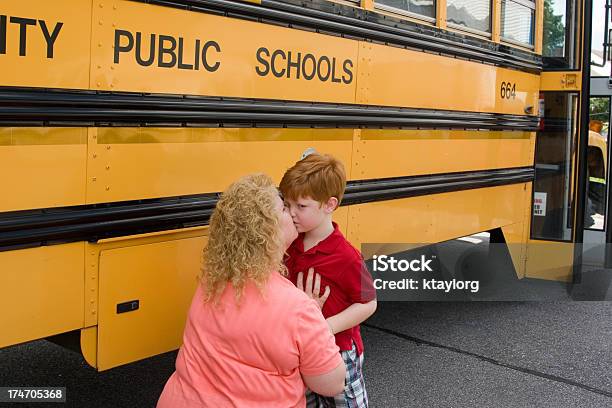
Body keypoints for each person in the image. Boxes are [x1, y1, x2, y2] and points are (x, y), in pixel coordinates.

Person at [157, 174, 346, 408]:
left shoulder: (211, 281)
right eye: (285, 209)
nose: (293, 213)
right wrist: (316, 319)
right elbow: (332, 384)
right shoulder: (299, 308)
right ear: (268, 232)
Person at [280, 153, 377, 408]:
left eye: (301, 207)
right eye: (287, 205)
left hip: (340, 349)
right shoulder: (291, 243)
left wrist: (325, 326)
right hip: (301, 346)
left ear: (329, 205)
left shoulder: (346, 255)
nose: (291, 213)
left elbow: (369, 302)